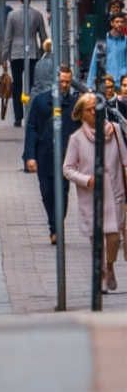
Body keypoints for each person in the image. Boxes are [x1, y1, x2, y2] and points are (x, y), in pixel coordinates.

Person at [63, 94, 126, 292]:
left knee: (114, 237)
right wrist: (86, 179)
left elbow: (125, 159)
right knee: (97, 239)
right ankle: (100, 275)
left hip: (115, 191)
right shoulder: (76, 139)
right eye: (90, 109)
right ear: (81, 114)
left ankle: (109, 265)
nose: (95, 112)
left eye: (97, 108)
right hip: (91, 196)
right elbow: (67, 169)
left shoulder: (114, 130)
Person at [24, 68, 78, 242]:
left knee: (62, 192)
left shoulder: (74, 105)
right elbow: (31, 128)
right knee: (47, 192)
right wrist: (30, 156)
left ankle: (57, 228)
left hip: (65, 157)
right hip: (45, 155)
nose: (65, 85)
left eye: (68, 82)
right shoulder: (41, 102)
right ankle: (53, 224)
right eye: (62, 81)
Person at [0, 0, 48, 127]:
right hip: (32, 53)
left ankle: (18, 117)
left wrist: (4, 57)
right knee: (33, 85)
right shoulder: (37, 15)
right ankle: (32, 113)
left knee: (17, 86)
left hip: (16, 54)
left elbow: (8, 38)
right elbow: (43, 36)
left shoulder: (12, 15)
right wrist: (42, 52)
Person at [88, 12, 127, 86]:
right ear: (112, 23)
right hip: (106, 83)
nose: (120, 24)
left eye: (122, 22)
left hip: (123, 84)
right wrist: (90, 85)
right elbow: (94, 63)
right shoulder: (103, 41)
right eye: (117, 22)